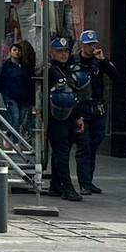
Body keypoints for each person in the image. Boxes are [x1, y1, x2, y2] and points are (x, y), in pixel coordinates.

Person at [69, 30, 119, 194]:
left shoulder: (99, 62)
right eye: (89, 44)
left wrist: (103, 61)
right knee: (83, 146)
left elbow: (116, 77)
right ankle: (83, 183)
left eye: (94, 44)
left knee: (94, 144)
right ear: (82, 44)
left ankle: (89, 181)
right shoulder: (74, 62)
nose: (92, 47)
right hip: (82, 109)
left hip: (98, 109)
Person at [46, 35, 85, 201]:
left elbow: (76, 94)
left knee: (63, 151)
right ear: (51, 52)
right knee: (61, 152)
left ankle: (56, 185)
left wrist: (78, 117)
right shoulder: (48, 71)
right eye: (59, 51)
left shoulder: (68, 69)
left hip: (70, 116)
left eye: (65, 51)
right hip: (55, 118)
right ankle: (67, 186)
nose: (63, 54)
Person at [0, 41, 36, 141]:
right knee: (15, 118)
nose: (17, 52)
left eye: (19, 50)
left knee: (20, 120)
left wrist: (32, 100)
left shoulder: (26, 68)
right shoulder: (5, 66)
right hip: (10, 96)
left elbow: (30, 84)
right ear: (10, 52)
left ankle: (8, 134)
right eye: (14, 50)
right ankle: (15, 144)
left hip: (24, 98)